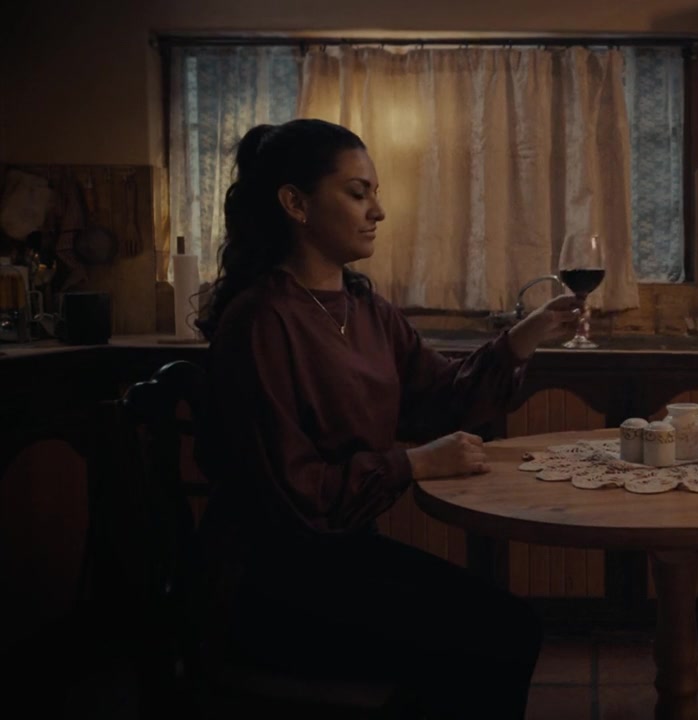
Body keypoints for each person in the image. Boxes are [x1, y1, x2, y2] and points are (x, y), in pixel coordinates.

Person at [191, 118, 582, 718]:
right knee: (496, 638)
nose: (378, 211)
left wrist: (523, 338)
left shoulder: (366, 308)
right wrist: (413, 464)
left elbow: (442, 398)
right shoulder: (261, 321)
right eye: (357, 193)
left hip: (340, 557)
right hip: (272, 581)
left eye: (374, 192)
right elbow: (294, 495)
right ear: (295, 203)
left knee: (505, 630)